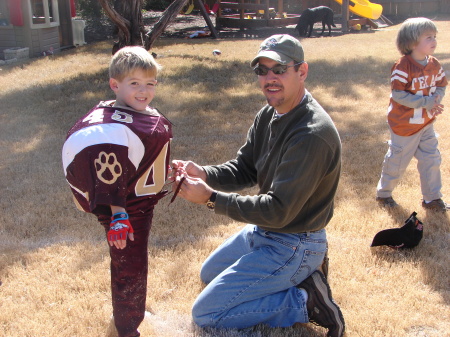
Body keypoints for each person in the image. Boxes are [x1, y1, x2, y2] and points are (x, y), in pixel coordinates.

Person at [171, 34, 345, 337]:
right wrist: (204, 173)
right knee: (208, 274)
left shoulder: (311, 134)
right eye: (262, 70)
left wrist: (211, 198)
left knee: (207, 314)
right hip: (265, 231)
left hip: (295, 241)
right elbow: (245, 168)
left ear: (301, 71)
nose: (269, 78)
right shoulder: (269, 114)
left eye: (279, 69)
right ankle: (301, 279)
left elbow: (278, 211)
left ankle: (305, 301)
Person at [62, 46, 172, 337]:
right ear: (115, 84)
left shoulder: (132, 110)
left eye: (150, 83)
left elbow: (141, 153)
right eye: (134, 83)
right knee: (129, 268)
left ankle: (126, 316)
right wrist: (118, 215)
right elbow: (108, 177)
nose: (144, 91)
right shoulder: (106, 131)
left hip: (138, 199)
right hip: (126, 209)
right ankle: (126, 329)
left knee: (132, 265)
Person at [376, 17, 448, 211]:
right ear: (412, 41)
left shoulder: (434, 64)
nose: (434, 41)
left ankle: (432, 198)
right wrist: (426, 102)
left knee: (431, 159)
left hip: (426, 123)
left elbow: (442, 84)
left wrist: (436, 99)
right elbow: (398, 94)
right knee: (397, 162)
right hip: (404, 125)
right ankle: (384, 194)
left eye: (434, 36)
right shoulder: (402, 66)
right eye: (428, 37)